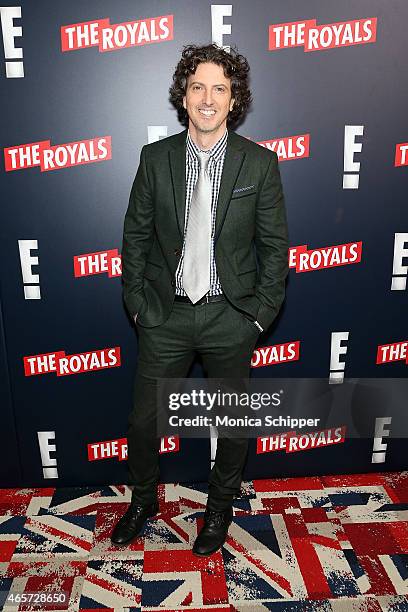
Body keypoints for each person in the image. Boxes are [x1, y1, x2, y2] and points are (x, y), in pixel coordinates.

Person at [111, 43, 289, 556]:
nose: (207, 99)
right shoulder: (155, 158)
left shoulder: (258, 164)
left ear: (234, 100)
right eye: (198, 87)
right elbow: (136, 237)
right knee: (143, 422)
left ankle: (219, 507)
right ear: (183, 96)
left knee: (233, 425)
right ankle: (143, 500)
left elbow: (275, 248)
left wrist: (256, 316)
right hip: (164, 315)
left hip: (229, 315)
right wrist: (139, 304)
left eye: (219, 88)